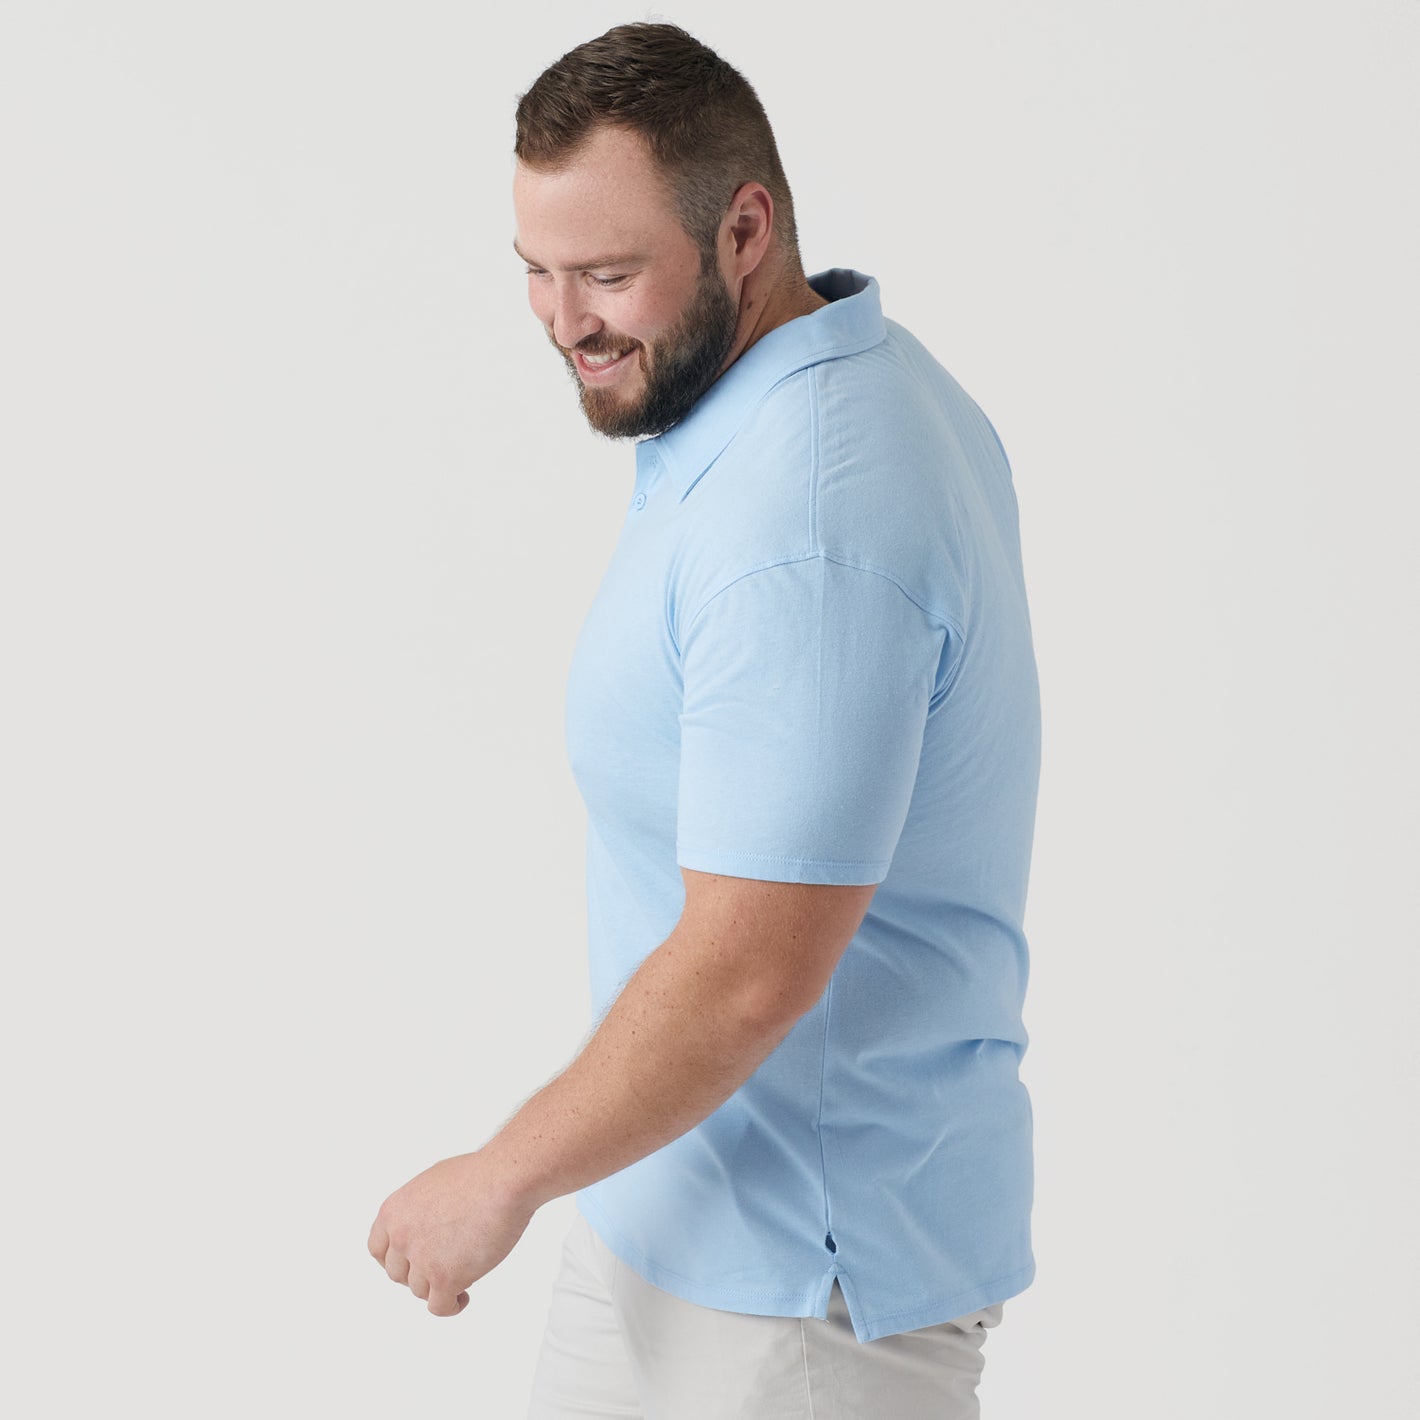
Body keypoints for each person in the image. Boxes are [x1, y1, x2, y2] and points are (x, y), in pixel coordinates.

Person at [368, 22, 1041, 1418]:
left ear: (747, 230)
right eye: (538, 275)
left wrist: (500, 1176)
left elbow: (751, 971)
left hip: (797, 1302)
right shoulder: (770, 402)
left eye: (610, 275)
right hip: (683, 1223)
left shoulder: (808, 521)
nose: (566, 322)